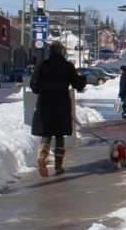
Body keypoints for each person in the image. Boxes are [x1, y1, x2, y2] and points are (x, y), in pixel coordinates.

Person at [30, 40, 87, 177]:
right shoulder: (66, 66)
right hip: (61, 103)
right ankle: (58, 165)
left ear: (49, 51)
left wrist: (42, 91)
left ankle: (42, 155)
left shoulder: (42, 65)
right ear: (62, 52)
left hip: (45, 103)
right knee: (59, 135)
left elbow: (34, 85)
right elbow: (77, 84)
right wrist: (83, 78)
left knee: (46, 133)